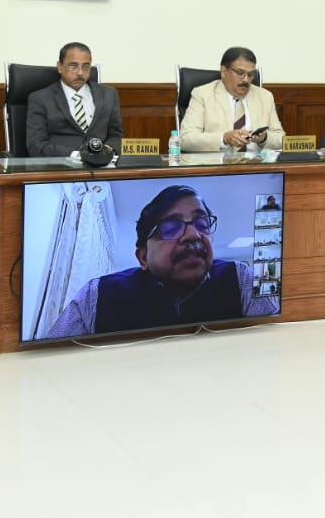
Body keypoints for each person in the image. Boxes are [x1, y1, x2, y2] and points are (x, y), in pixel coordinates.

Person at [46, 184, 278, 338]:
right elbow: (56, 357)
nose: (193, 235)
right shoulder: (97, 295)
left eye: (202, 223)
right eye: (170, 227)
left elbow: (271, 342)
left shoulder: (240, 279)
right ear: (143, 257)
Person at [25, 42, 124, 157]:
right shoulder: (40, 99)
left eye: (86, 67)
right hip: (61, 164)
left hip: (101, 164)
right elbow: (36, 145)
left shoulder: (108, 95)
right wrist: (76, 155)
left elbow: (116, 136)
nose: (80, 73)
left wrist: (105, 152)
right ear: (60, 67)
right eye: (73, 66)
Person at [180, 46, 284, 152]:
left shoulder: (265, 96)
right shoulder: (203, 94)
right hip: (218, 161)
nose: (246, 79)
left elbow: (281, 139)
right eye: (240, 73)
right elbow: (185, 140)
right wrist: (223, 138)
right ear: (224, 71)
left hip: (257, 160)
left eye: (250, 74)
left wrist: (264, 138)